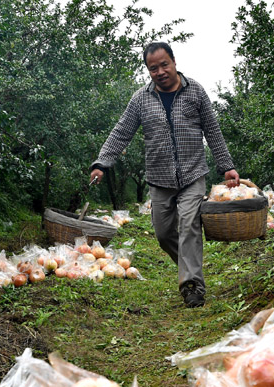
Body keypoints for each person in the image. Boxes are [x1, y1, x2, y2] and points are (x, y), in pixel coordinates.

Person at [89, 41, 239, 308]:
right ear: (148, 70)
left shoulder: (195, 92)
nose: (159, 71)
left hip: (193, 174)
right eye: (153, 68)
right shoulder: (140, 99)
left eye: (164, 65)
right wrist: (102, 163)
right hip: (159, 178)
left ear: (174, 62)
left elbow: (213, 131)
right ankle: (189, 267)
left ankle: (192, 285)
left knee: (189, 226)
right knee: (163, 233)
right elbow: (121, 132)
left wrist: (226, 165)